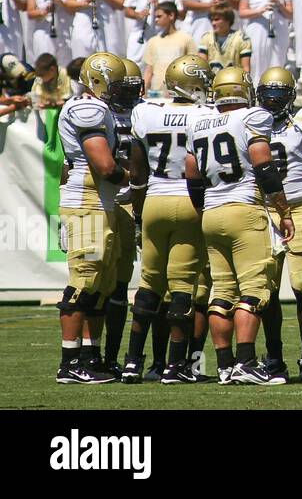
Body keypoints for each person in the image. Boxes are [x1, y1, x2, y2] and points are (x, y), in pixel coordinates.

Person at [185, 65, 294, 385]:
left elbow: (192, 177)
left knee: (222, 292)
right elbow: (264, 166)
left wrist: (204, 209)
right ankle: (246, 362)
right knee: (254, 290)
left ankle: (225, 365)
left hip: (212, 211)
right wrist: (284, 210)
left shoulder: (199, 123)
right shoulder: (252, 117)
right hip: (244, 208)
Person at [120, 54, 213, 384]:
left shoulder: (146, 114)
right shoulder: (207, 115)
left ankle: (132, 362)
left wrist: (139, 208)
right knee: (184, 287)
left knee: (149, 283)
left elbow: (138, 170)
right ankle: (176, 366)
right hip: (189, 199)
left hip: (156, 199)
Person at [55, 53, 138, 384]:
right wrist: (134, 179)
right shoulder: (87, 108)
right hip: (86, 201)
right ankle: (70, 362)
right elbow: (104, 165)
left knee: (102, 285)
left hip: (101, 202)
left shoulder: (98, 108)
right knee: (85, 281)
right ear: (99, 81)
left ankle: (91, 357)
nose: (119, 92)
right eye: (115, 85)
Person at [256, 66, 302, 382]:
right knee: (267, 289)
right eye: (266, 96)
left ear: (290, 97)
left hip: (297, 207)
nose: (271, 102)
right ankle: (274, 355)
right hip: (264, 210)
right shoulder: (251, 124)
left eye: (277, 96)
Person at [141, 2, 200, 92]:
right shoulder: (153, 41)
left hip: (179, 94)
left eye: (159, 16)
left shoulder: (185, 39)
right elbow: (149, 71)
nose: (156, 20)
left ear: (171, 15)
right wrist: (144, 91)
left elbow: (193, 69)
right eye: (155, 17)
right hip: (156, 93)